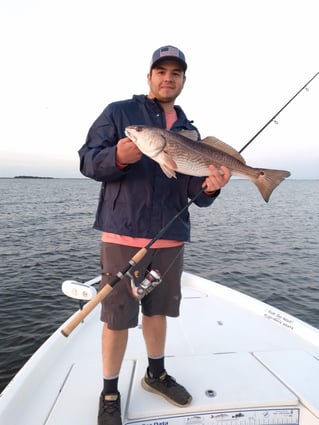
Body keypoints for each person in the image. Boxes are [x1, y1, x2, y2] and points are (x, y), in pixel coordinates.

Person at [78, 45, 231, 425]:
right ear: (149, 76)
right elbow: (87, 160)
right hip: (122, 235)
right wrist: (118, 157)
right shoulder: (120, 113)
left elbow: (194, 195)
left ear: (182, 80)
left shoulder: (189, 130)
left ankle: (155, 374)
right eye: (161, 71)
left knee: (157, 311)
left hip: (170, 238)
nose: (168, 78)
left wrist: (210, 188)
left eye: (175, 73)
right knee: (116, 317)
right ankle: (110, 390)